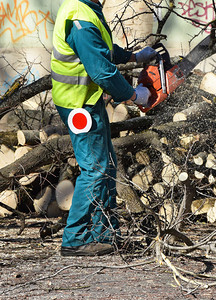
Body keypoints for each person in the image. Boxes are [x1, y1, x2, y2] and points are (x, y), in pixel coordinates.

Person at [51, 0, 156, 256]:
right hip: (78, 104)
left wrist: (133, 57)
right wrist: (134, 95)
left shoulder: (88, 9)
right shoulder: (80, 17)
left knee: (106, 166)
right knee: (95, 169)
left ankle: (105, 234)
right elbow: (101, 71)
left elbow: (101, 49)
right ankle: (75, 238)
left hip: (88, 100)